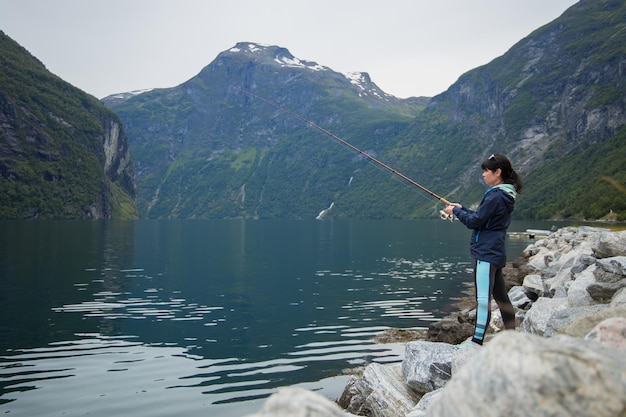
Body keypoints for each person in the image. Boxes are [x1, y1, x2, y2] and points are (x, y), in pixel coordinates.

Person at [443, 153, 523, 347]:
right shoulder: (505, 194)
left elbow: (475, 222)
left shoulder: (496, 195)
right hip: (495, 252)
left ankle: (477, 342)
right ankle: (512, 337)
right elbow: (481, 217)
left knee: (482, 299)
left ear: (498, 172)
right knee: (502, 297)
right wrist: (462, 208)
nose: (484, 175)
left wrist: (455, 212)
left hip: (486, 254)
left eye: (486, 171)